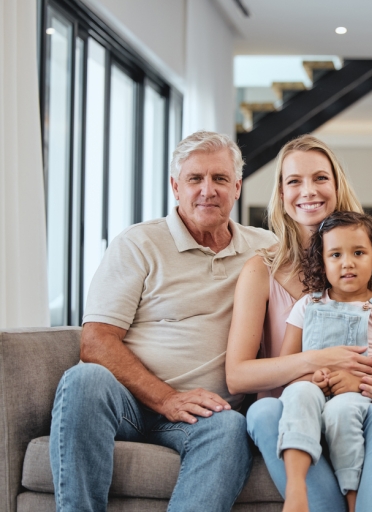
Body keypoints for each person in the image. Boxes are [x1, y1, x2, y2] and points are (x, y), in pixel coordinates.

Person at [49, 131, 277, 511]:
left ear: (237, 187)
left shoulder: (266, 249)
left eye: (220, 179)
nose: (208, 190)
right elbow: (96, 341)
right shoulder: (138, 244)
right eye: (195, 179)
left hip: (205, 415)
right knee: (83, 379)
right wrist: (166, 398)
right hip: (129, 403)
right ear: (175, 186)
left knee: (230, 427)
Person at [226, 135, 372, 512]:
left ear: (336, 185)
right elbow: (237, 376)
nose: (308, 191)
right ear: (281, 194)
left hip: (361, 402)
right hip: (295, 402)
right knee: (262, 411)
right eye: (294, 181)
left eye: (320, 178)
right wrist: (318, 362)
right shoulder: (260, 269)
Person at [277, 211, 372, 512]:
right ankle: (296, 488)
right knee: (297, 393)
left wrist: (358, 384)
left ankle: (352, 500)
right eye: (335, 254)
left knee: (342, 407)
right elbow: (286, 369)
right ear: (322, 263)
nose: (347, 262)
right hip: (311, 390)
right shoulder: (305, 306)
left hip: (360, 399)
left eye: (358, 253)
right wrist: (313, 379)